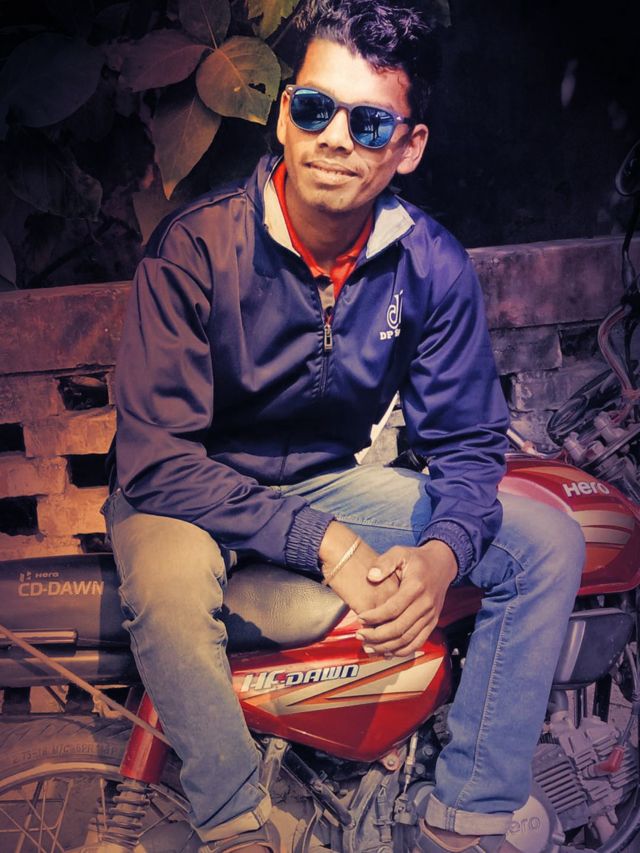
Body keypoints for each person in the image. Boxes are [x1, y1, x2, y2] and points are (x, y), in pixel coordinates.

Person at [103, 1, 586, 851]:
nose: (334, 138)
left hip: (321, 478)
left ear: (409, 146)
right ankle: (238, 826)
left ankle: (463, 819)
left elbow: (467, 445)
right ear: (284, 114)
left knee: (546, 538)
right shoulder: (196, 249)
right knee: (171, 589)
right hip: (187, 489)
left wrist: (442, 556)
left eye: (368, 123)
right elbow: (157, 457)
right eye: (315, 108)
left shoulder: (429, 263)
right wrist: (327, 543)